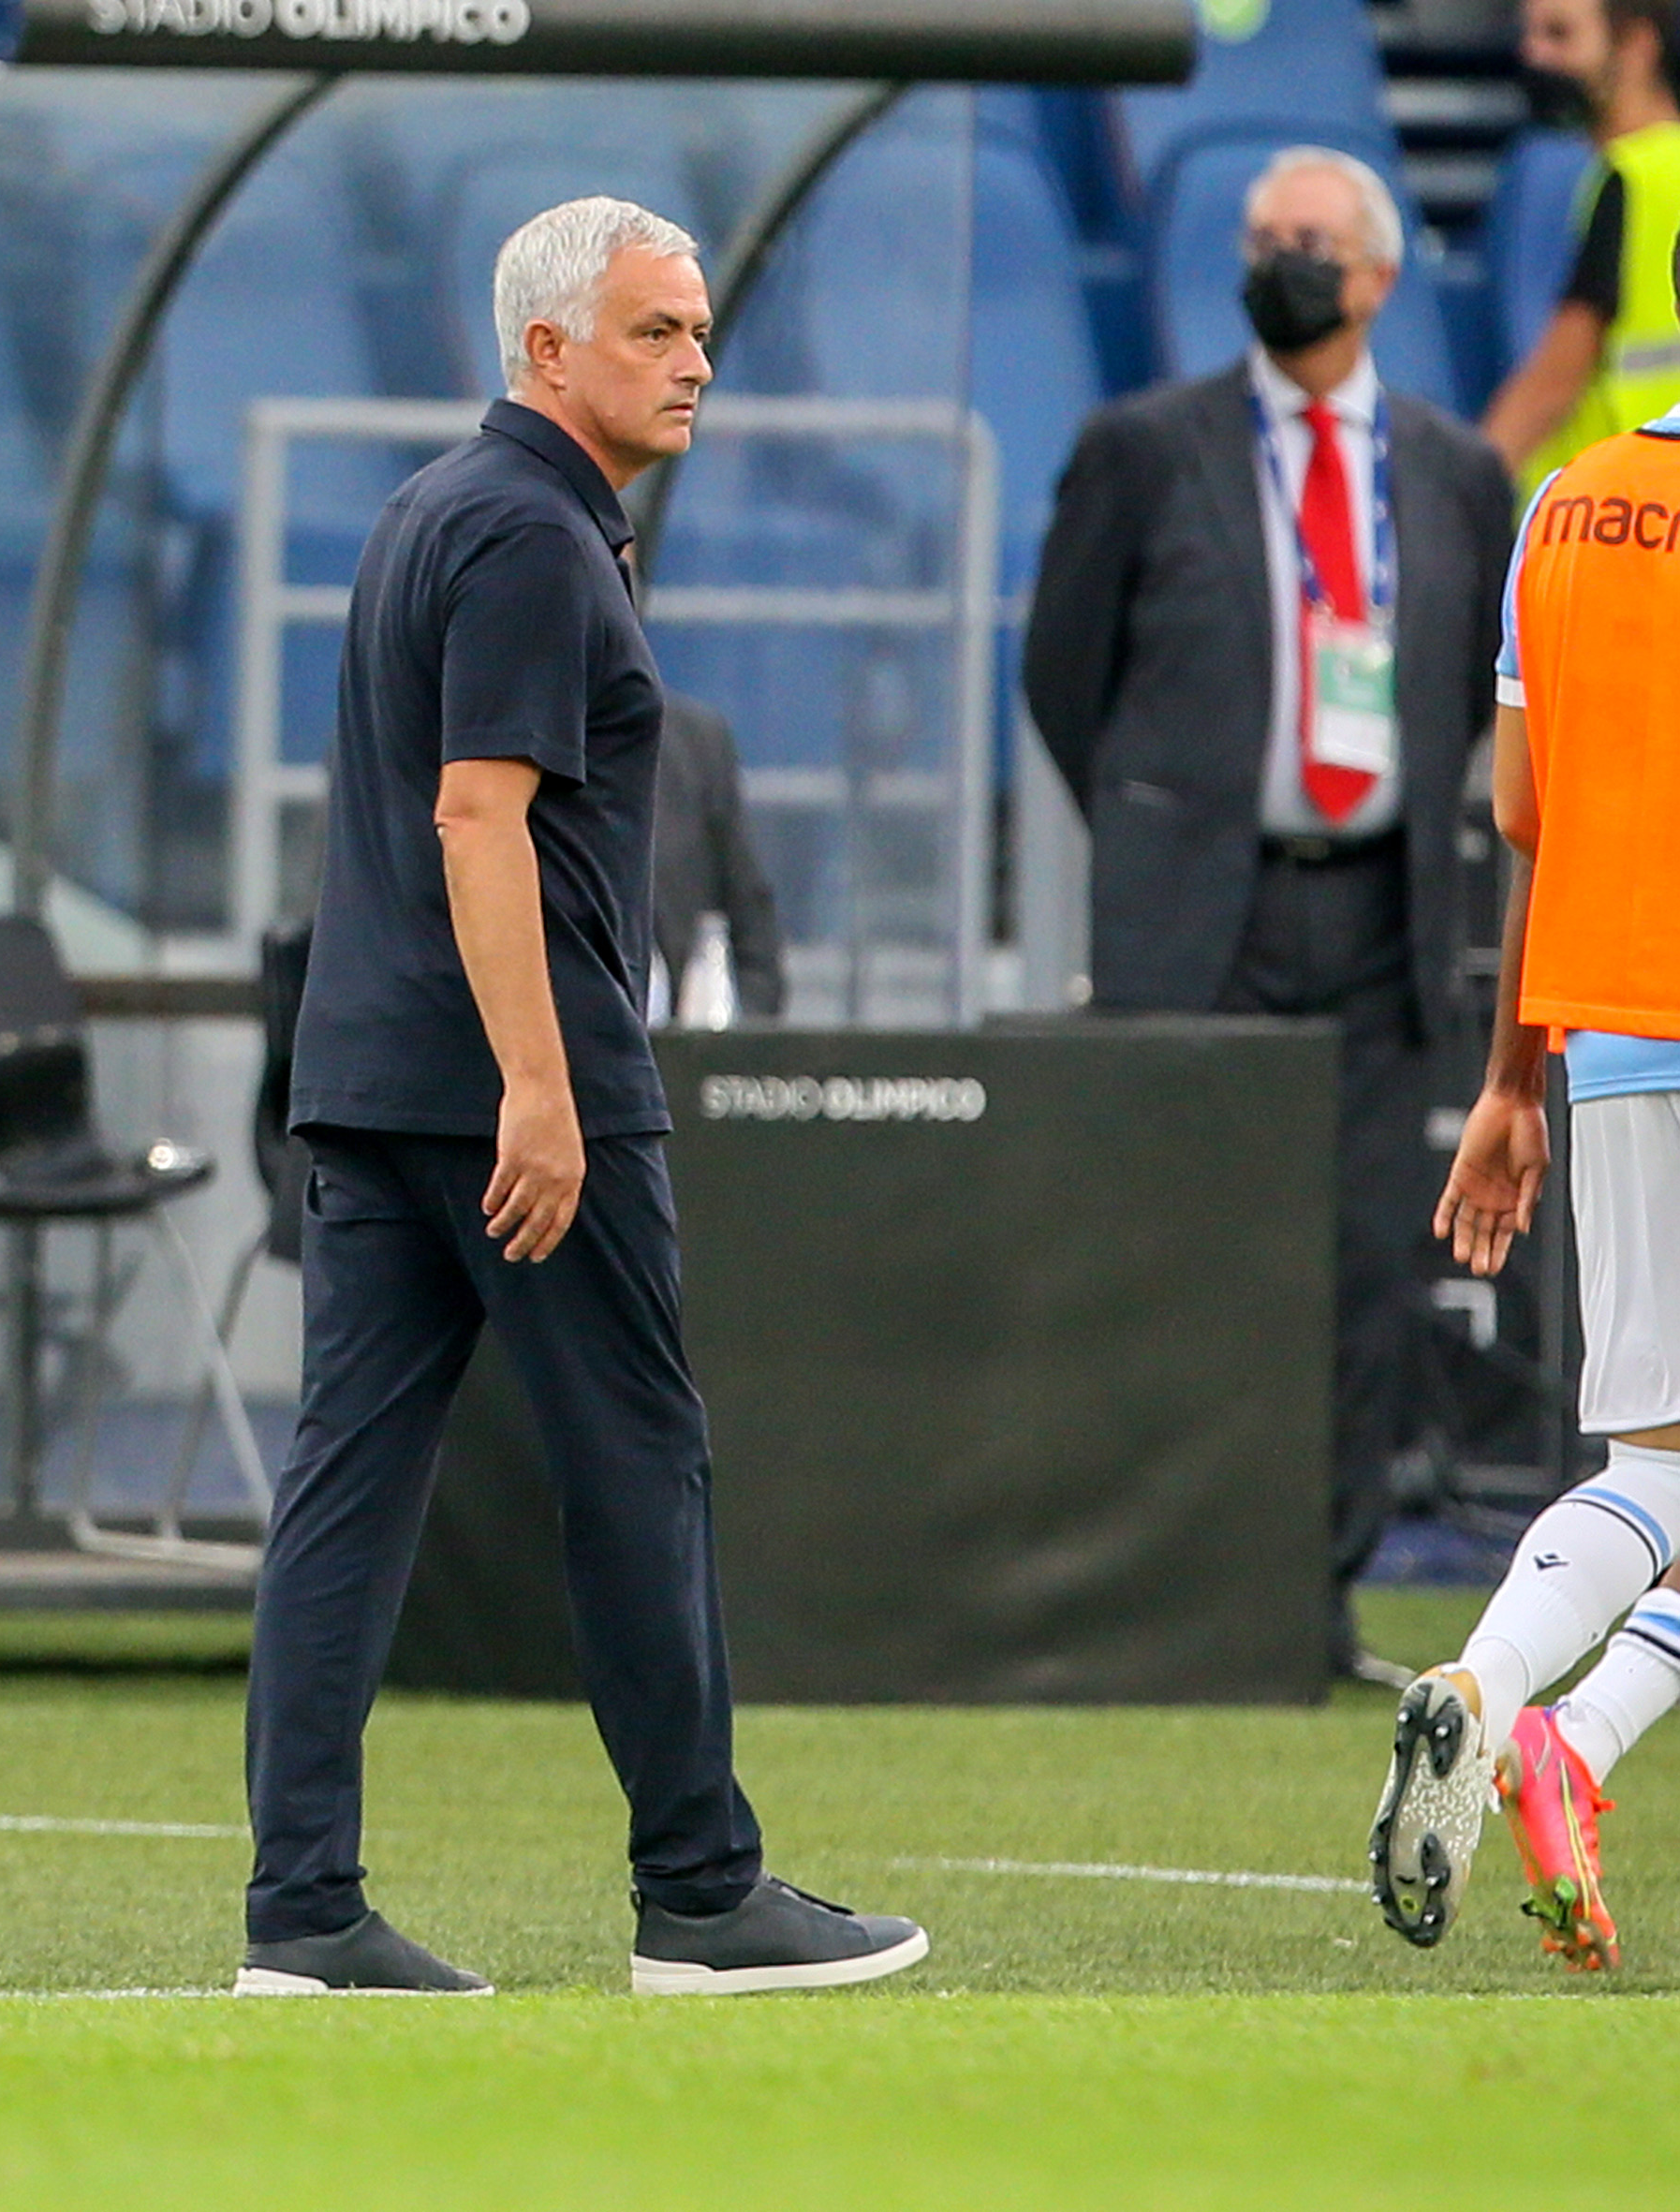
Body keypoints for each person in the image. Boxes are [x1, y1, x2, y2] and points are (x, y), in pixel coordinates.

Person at [238, 196, 925, 1999]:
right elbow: (481, 815)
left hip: (369, 1070)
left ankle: (299, 1913)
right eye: (653, 330)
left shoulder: (429, 509)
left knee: (347, 1486)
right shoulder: (535, 534)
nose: (695, 358)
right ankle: (700, 1892)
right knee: (633, 1459)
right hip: (507, 1084)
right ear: (545, 348)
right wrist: (540, 1088)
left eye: (699, 329)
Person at [1024, 147, 1518, 1685]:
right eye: (1256, 240)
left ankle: (1308, 1607)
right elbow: (1060, 674)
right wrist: (1157, 822)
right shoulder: (1138, 445)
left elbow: (1473, 700)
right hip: (1199, 916)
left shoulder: (1451, 472)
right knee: (1170, 1255)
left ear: (1375, 275)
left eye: (1305, 240)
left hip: (1377, 919)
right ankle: (1155, 1601)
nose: (1276, 261)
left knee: (1363, 1265)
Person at [1373, 387, 1680, 1973]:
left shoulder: (1561, 504)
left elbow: (1520, 812)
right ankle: (1562, 1728)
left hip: (1615, 1028)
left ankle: (1502, 1707)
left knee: (1656, 1463)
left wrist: (1506, 1077)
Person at [1482, 0, 1680, 484]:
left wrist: (1460, 491)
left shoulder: (1633, 177)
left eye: (1560, 35)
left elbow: (1554, 382)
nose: (1534, 55)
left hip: (1616, 507)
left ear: (1636, 46)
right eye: (1529, 35)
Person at [649, 690, 783, 1025]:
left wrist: (742, 1039)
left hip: (688, 1036)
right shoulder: (519, 749)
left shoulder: (696, 739)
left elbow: (748, 901)